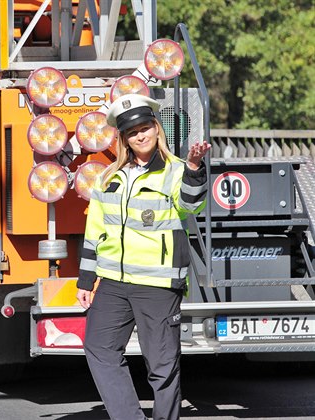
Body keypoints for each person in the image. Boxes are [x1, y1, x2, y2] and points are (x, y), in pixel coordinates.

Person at [76, 93, 211, 420]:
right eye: (132, 132)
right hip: (113, 283)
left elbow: (191, 206)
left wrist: (194, 169)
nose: (140, 136)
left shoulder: (176, 170)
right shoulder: (109, 176)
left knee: (162, 366)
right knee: (99, 348)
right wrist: (86, 280)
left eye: (145, 128)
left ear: (156, 128)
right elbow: (95, 231)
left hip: (157, 284)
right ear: (124, 138)